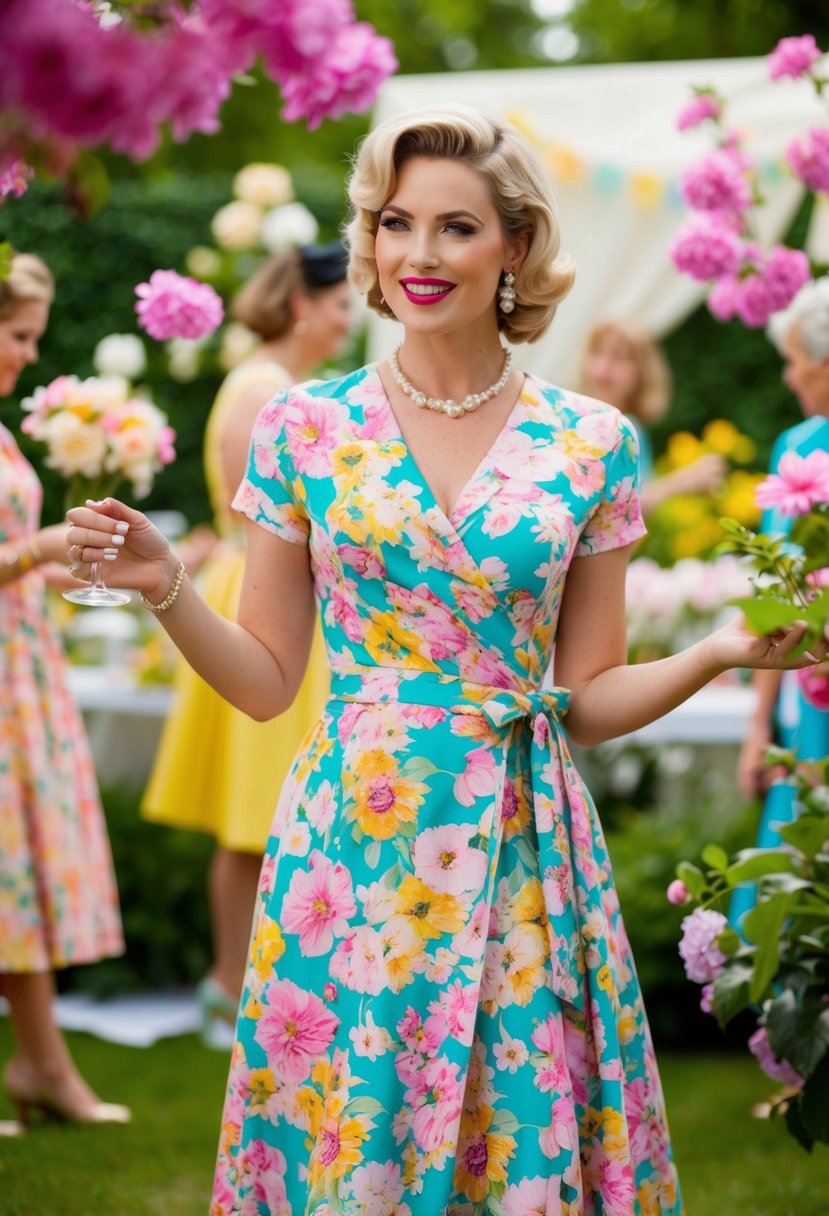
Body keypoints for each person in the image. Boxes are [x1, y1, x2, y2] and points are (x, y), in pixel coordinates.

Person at [65, 107, 826, 1214]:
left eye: (455, 227)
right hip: (354, 845)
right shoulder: (302, 429)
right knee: (356, 1140)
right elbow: (270, 679)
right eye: (393, 223)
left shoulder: (591, 443)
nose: (418, 256)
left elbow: (591, 698)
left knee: (514, 1146)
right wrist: (167, 588)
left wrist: (715, 651)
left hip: (524, 842)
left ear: (514, 244)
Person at [140, 241, 354, 1047]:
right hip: (260, 594)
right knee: (252, 814)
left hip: (272, 587)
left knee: (267, 809)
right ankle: (229, 985)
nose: (345, 325)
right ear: (304, 303)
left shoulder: (276, 385)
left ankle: (248, 983)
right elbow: (258, 510)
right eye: (338, 308)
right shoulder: (266, 390)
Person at [0, 253, 129, 1132]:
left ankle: (42, 1063)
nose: (26, 358)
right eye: (18, 336)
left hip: (21, 667)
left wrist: (82, 573)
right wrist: (36, 552)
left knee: (21, 869)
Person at [732, 277, 829, 927]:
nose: (790, 379)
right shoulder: (793, 450)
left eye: (795, 362)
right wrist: (758, 728)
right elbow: (769, 595)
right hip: (807, 705)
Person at [578, 319, 726, 513]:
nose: (603, 369)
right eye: (597, 352)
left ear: (642, 372)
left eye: (619, 358)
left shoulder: (629, 427)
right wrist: (682, 482)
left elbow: (623, 511)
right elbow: (617, 514)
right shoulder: (576, 426)